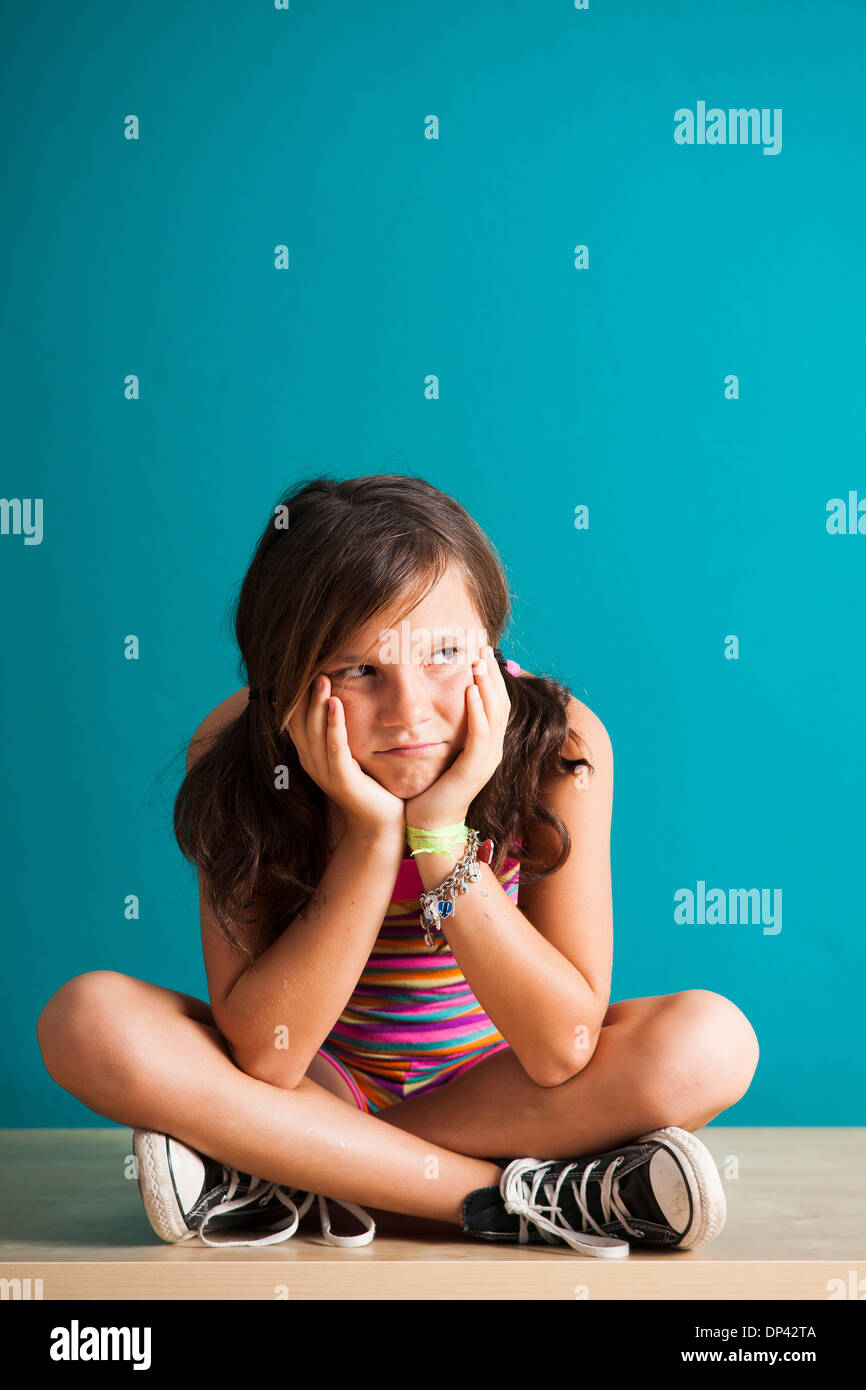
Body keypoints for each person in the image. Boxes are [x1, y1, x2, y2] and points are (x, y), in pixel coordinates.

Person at [37, 473, 759, 1256]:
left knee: (713, 1042)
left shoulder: (561, 745)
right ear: (281, 675)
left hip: (505, 1089)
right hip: (317, 1079)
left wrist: (441, 838)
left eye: (446, 654)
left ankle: (278, 1164)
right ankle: (506, 1199)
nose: (410, 712)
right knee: (89, 1021)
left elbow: (563, 1046)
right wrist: (372, 841)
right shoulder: (239, 748)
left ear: (492, 641)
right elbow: (268, 1054)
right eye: (357, 670)